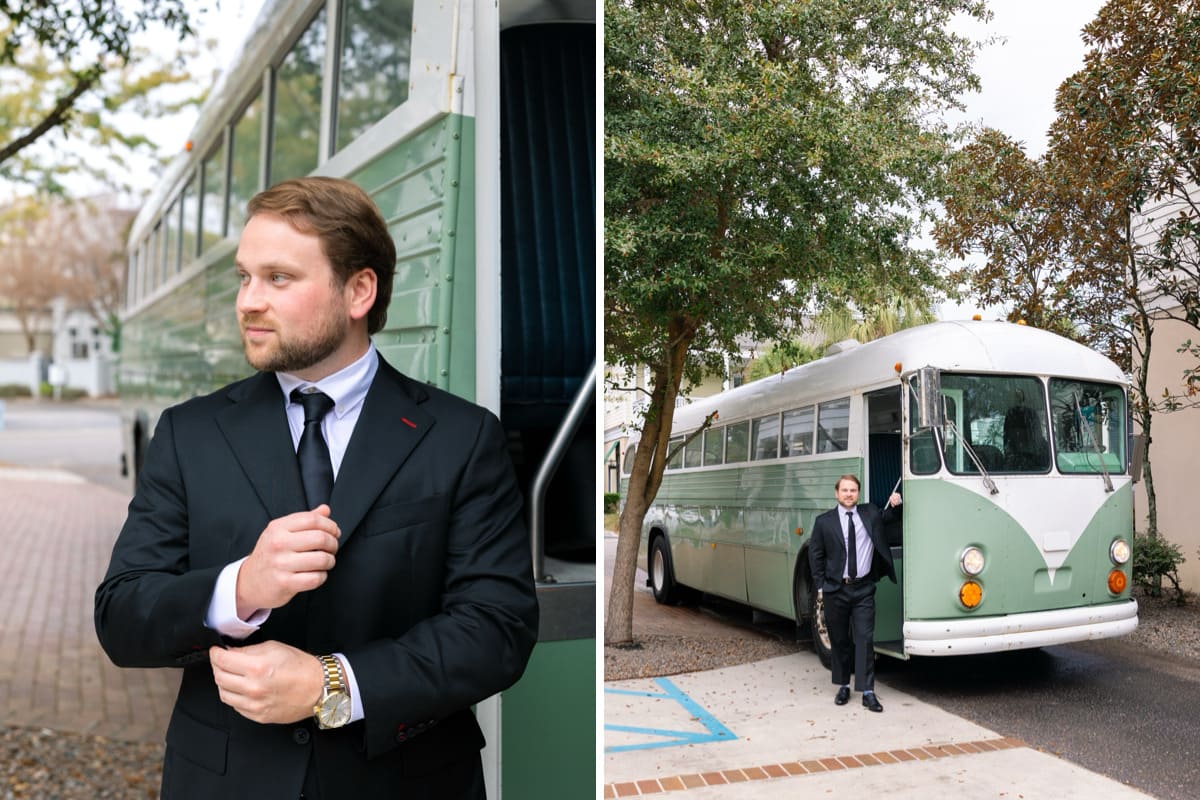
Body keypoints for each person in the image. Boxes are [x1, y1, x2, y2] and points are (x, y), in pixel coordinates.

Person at [94, 176, 539, 799]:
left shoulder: (461, 437)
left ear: (359, 290)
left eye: (278, 278)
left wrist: (335, 684)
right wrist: (240, 587)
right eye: (245, 277)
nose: (248, 301)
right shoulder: (187, 433)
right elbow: (120, 617)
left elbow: (497, 629)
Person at [808, 474, 900, 713]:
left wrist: (895, 503)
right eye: (845, 490)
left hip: (863, 589)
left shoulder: (870, 514)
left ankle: (867, 691)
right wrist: (821, 586)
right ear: (836, 493)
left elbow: (888, 518)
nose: (849, 494)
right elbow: (815, 555)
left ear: (858, 493)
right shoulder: (823, 522)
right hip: (835, 590)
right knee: (839, 640)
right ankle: (842, 686)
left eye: (853, 490)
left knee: (864, 639)